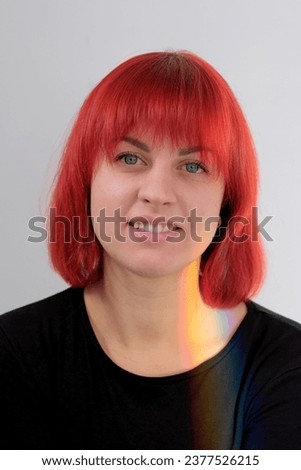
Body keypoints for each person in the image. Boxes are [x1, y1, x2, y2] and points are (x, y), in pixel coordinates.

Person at [1, 51, 301, 450]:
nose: (157, 194)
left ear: (228, 199)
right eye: (130, 158)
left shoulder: (288, 365)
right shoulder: (12, 353)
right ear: (85, 180)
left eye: (193, 166)